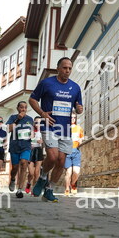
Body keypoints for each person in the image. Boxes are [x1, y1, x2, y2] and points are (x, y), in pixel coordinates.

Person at [29, 57, 83, 202]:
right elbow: (32, 99)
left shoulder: (75, 87)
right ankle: (42, 178)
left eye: (70, 68)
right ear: (58, 68)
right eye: (64, 68)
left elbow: (78, 107)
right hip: (49, 125)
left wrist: (79, 109)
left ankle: (49, 189)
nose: (67, 71)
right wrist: (42, 114)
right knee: (52, 157)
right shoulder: (46, 83)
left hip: (65, 129)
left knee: (61, 161)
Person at [6, 101, 34, 198]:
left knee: (24, 163)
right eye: (21, 107)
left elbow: (32, 132)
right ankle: (13, 179)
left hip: (26, 145)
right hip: (15, 145)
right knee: (15, 167)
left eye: (25, 107)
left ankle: (19, 189)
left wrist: (32, 135)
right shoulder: (12, 118)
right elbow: (9, 129)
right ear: (17, 108)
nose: (23, 109)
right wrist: (18, 119)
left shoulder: (30, 119)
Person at [64, 113, 84, 196]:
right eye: (71, 117)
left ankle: (72, 184)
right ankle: (67, 189)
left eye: (74, 117)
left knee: (76, 172)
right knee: (68, 172)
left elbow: (81, 138)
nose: (73, 119)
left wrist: (80, 140)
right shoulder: (65, 128)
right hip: (67, 152)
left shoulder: (79, 128)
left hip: (76, 151)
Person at [26, 117, 44, 194]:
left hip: (39, 151)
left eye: (40, 123)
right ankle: (29, 183)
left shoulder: (43, 132)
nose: (38, 124)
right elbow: (26, 139)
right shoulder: (30, 130)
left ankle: (34, 189)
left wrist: (42, 141)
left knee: (37, 172)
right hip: (30, 151)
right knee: (31, 173)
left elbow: (46, 141)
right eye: (36, 122)